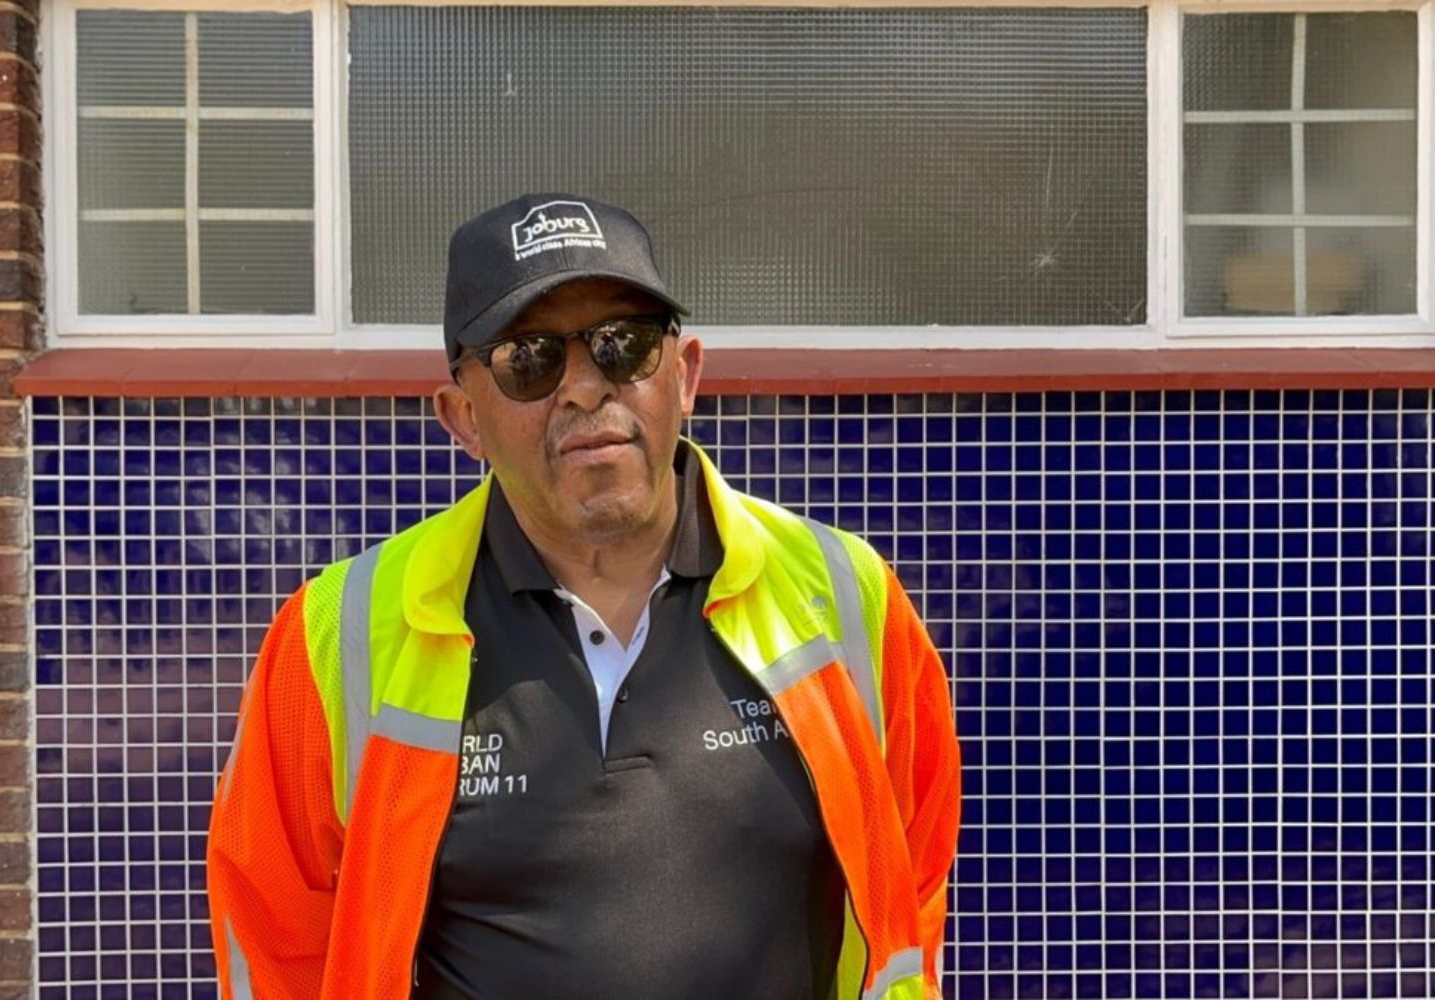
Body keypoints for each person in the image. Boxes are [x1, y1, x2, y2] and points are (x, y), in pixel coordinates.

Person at [206, 193, 961, 1000]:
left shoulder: (844, 596)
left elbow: (910, 889)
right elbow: (276, 938)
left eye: (622, 345)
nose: (585, 388)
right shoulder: (341, 633)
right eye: (529, 359)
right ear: (463, 418)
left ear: (685, 375)